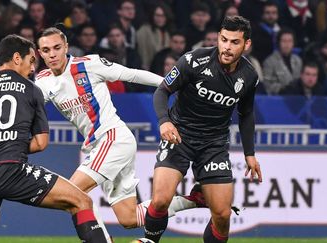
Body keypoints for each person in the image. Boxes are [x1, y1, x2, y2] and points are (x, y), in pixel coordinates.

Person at [0, 34, 107, 243]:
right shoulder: (32, 90)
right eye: (31, 60)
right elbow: (41, 142)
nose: (33, 68)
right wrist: (11, 145)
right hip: (10, 170)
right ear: (17, 58)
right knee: (82, 201)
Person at [35, 27, 202, 243]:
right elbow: (29, 104)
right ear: (40, 53)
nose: (52, 54)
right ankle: (195, 200)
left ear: (66, 47)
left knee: (72, 192)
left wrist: (171, 84)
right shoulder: (43, 80)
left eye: (57, 48)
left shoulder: (88, 64)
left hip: (113, 139)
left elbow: (132, 74)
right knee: (129, 217)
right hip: (98, 146)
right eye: (46, 50)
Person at [143, 16, 263, 242]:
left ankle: (204, 192)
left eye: (234, 42)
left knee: (222, 214)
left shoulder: (249, 76)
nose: (227, 47)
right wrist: (164, 120)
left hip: (214, 145)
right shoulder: (193, 60)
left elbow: (246, 114)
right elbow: (162, 91)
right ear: (218, 37)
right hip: (179, 136)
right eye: (224, 39)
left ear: (246, 44)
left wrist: (250, 154)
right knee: (159, 201)